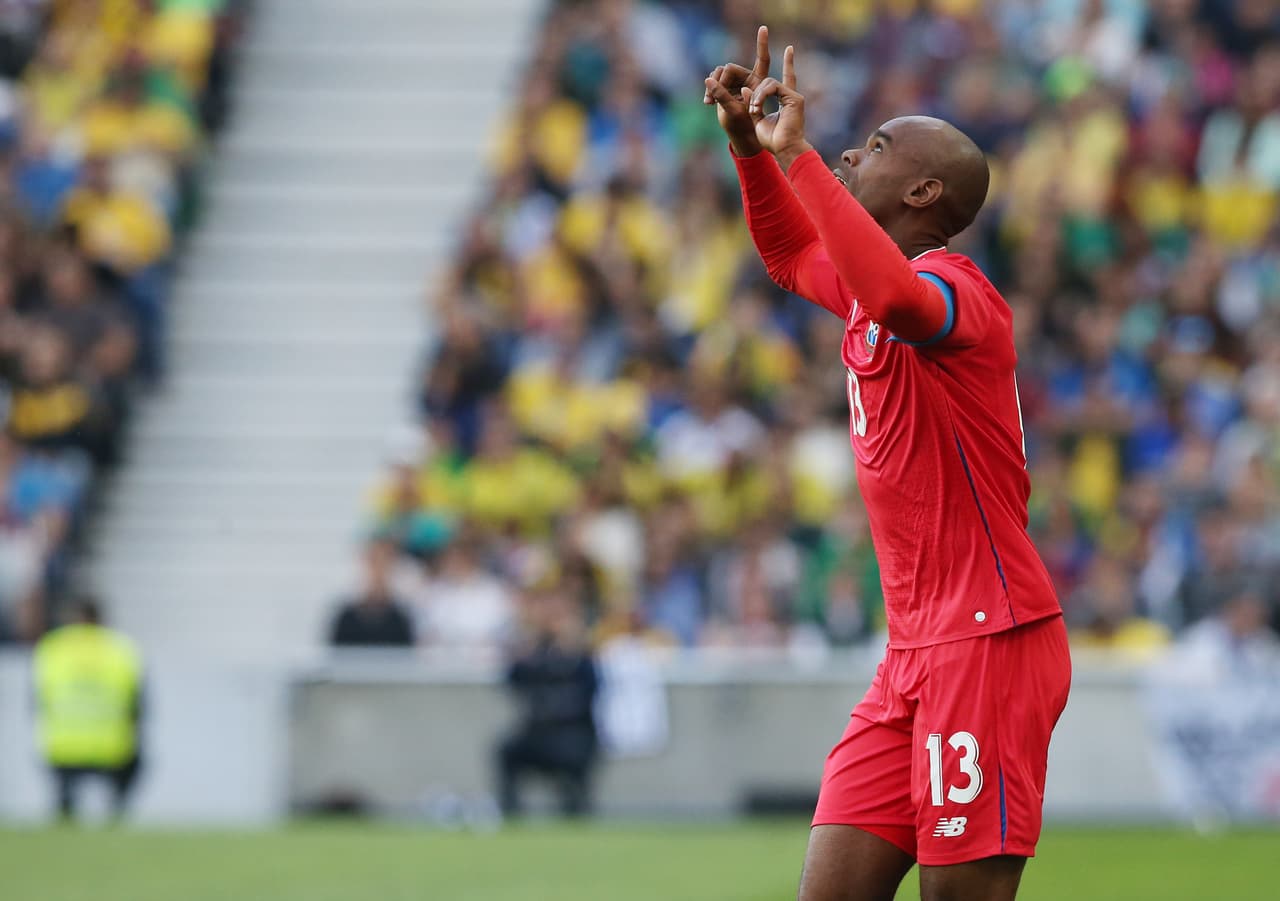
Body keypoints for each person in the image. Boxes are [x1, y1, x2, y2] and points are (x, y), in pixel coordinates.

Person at [703, 28, 1072, 901]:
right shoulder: (875, 298)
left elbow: (902, 300)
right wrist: (749, 149)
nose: (845, 153)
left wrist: (797, 160)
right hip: (910, 651)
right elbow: (791, 255)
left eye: (872, 147)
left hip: (988, 639)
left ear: (922, 190)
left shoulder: (961, 294)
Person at [32, 598, 144, 822]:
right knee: (137, 761)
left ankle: (64, 802)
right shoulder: (121, 649)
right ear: (101, 619)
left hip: (62, 747)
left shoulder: (53, 647)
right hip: (112, 748)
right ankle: (117, 805)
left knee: (55, 761)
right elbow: (138, 706)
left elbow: (37, 702)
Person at [494, 583, 599, 818]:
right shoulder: (537, 650)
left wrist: (570, 647)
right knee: (507, 750)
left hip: (571, 733)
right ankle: (511, 814)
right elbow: (514, 678)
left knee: (571, 757)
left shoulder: (579, 652)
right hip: (538, 732)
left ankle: (576, 809)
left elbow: (590, 690)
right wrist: (528, 644)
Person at [328, 540, 416, 648]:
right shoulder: (346, 616)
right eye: (375, 561)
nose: (380, 568)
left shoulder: (402, 617)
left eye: (385, 562)